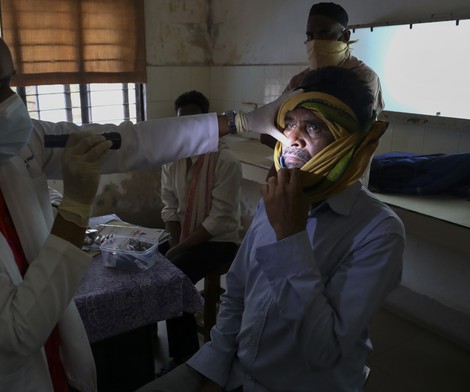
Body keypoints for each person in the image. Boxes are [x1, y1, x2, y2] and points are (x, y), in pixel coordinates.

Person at [0, 5, 292, 392]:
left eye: (11, 82)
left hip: (52, 359)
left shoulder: (14, 144)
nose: (13, 104)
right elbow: (16, 327)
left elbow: (129, 141)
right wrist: (77, 204)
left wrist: (239, 121)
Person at [137, 66, 405, 392]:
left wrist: (290, 236)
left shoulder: (378, 231)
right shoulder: (277, 195)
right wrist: (215, 370)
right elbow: (236, 294)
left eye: (314, 127)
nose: (292, 138)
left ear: (349, 142)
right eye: (289, 123)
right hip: (235, 369)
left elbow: (323, 352)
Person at [159, 91, 242, 373]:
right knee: (144, 263)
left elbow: (218, 222)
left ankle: (186, 358)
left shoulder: (225, 161)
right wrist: (174, 241)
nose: (188, 128)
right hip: (185, 235)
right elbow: (169, 205)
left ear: (207, 122)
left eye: (196, 121)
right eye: (183, 121)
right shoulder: (173, 158)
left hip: (220, 241)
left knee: (173, 276)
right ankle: (146, 342)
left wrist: (178, 250)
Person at [261, 2, 384, 152]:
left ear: (345, 36)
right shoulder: (299, 80)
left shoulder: (363, 77)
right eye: (310, 36)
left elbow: (353, 135)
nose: (315, 41)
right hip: (300, 163)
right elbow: (275, 124)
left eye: (324, 34)